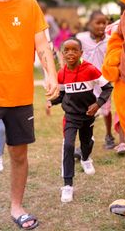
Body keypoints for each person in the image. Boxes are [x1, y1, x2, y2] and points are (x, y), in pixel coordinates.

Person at [0, 0, 59, 230]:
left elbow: (42, 45)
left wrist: (51, 75)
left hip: (19, 97)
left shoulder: (29, 4)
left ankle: (17, 207)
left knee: (19, 155)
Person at [46, 37, 113, 203]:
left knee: (86, 143)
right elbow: (62, 95)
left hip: (88, 115)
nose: (70, 53)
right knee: (68, 146)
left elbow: (107, 87)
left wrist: (97, 104)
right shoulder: (62, 74)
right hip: (70, 116)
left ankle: (85, 158)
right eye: (66, 50)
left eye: (74, 50)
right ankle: (67, 185)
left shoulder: (90, 70)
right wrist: (51, 102)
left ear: (81, 53)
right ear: (62, 54)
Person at [76, 11, 125, 154]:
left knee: (107, 111)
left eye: (104, 23)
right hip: (87, 82)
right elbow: (75, 53)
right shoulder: (81, 38)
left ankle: (110, 136)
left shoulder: (110, 40)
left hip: (105, 81)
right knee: (87, 113)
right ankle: (86, 142)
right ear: (89, 24)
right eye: (97, 23)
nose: (101, 26)